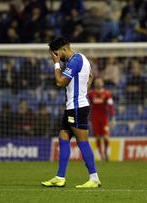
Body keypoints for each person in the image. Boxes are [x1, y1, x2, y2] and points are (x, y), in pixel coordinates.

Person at [42, 37, 100, 188]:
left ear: (63, 49)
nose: (56, 57)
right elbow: (91, 77)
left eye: (56, 54)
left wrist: (56, 64)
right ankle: (60, 177)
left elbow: (60, 82)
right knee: (63, 138)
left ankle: (94, 178)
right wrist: (83, 92)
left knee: (82, 142)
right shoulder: (82, 59)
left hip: (76, 108)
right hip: (73, 106)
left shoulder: (75, 60)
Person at [88, 77, 115, 161]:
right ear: (95, 83)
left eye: (100, 81)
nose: (98, 83)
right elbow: (87, 105)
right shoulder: (91, 94)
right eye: (97, 81)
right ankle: (101, 155)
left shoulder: (107, 94)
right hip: (94, 118)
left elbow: (110, 106)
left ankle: (106, 151)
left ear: (103, 83)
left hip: (104, 118)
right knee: (98, 137)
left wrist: (113, 118)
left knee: (106, 137)